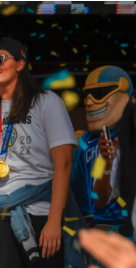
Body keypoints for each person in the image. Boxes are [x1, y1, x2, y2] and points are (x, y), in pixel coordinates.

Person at [0, 37, 77, 268]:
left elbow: (64, 164)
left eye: (0, 59)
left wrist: (55, 220)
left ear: (20, 64)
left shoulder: (46, 102)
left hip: (40, 212)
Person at [71, 66, 135, 238]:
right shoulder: (83, 141)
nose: (90, 102)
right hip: (99, 229)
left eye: (100, 93)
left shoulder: (125, 137)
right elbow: (98, 196)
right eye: (87, 95)